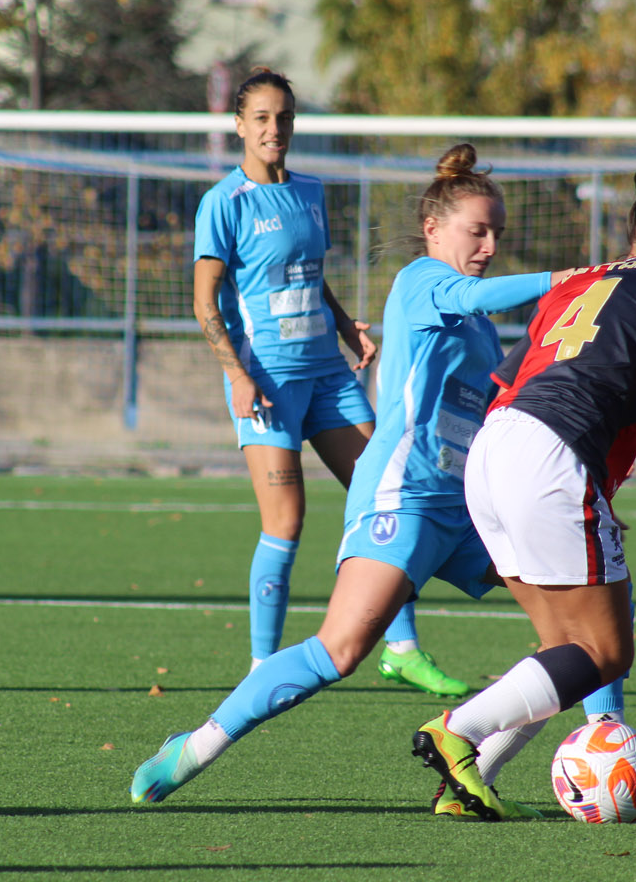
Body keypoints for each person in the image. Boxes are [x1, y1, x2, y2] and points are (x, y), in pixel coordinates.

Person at [134, 143, 566, 809]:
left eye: (497, 234)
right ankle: (194, 747)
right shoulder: (423, 280)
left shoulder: (479, 326)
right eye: (477, 231)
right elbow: (479, 292)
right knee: (339, 651)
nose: (488, 246)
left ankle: (557, 753)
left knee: (578, 628)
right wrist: (570, 279)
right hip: (404, 497)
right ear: (433, 228)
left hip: (464, 511)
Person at [410, 160, 636, 821]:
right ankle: (456, 731)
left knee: (564, 651)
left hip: (494, 449)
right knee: (607, 654)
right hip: (551, 459)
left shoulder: (578, 284)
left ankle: (468, 781)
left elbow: (509, 383)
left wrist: (581, 491)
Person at [192, 67, 468, 696]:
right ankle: (262, 670)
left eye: (284, 117)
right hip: (267, 383)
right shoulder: (224, 203)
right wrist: (235, 373)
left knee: (387, 499)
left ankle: (402, 649)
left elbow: (310, 277)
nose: (274, 129)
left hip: (328, 377)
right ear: (239, 125)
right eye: (261, 118)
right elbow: (205, 301)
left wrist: (347, 328)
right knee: (286, 522)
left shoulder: (310, 192)